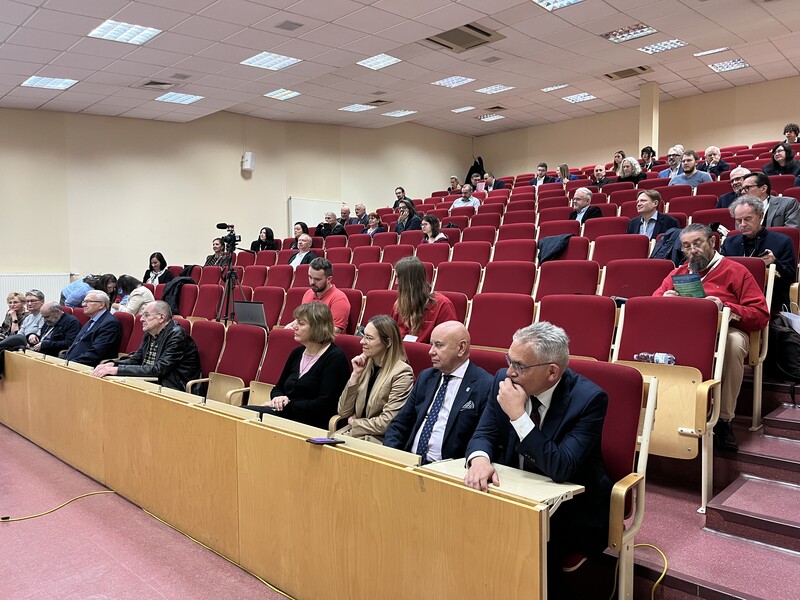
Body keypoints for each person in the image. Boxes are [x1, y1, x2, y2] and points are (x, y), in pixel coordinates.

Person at [464, 322, 612, 596]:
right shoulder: (503, 381)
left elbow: (561, 467)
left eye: (519, 366)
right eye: (509, 360)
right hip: (515, 494)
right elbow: (484, 433)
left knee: (530, 544)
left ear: (552, 372)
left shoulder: (589, 400)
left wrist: (519, 416)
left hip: (569, 509)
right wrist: (480, 459)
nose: (510, 372)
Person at [654, 223, 769, 451]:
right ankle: (673, 414)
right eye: (686, 246)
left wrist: (725, 306)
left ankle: (724, 420)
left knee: (733, 344)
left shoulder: (736, 270)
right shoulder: (677, 274)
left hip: (725, 331)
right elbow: (653, 303)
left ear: (712, 242)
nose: (692, 250)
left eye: (697, 243)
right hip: (687, 332)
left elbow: (760, 315)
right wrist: (664, 299)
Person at [384, 321, 493, 461]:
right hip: (410, 461)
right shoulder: (426, 377)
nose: (431, 351)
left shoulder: (485, 385)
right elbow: (400, 424)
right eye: (431, 344)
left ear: (461, 348)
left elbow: (484, 438)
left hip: (447, 468)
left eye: (439, 345)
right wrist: (390, 456)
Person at [245, 302, 349, 429]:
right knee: (241, 414)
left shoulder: (335, 358)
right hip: (287, 414)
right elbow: (277, 388)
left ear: (317, 327)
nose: (294, 326)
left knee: (249, 419)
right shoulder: (297, 353)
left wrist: (287, 405)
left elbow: (324, 404)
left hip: (312, 422)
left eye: (301, 323)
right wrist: (278, 398)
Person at [91, 301, 201, 392]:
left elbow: (158, 369)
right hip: (151, 380)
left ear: (161, 317)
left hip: (173, 387)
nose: (141, 319)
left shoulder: (177, 335)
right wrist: (113, 364)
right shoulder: (150, 333)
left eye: (146, 315)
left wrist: (117, 370)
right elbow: (136, 359)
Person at [335, 315, 414, 443]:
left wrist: (355, 423)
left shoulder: (402, 373)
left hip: (378, 440)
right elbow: (343, 411)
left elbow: (387, 423)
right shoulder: (365, 364)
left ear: (388, 342)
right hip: (354, 435)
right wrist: (355, 375)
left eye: (369, 338)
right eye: (363, 335)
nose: (362, 341)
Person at [721, 196, 796, 311]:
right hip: (734, 299)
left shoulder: (782, 241)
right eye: (738, 220)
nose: (743, 224)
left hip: (770, 297)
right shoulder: (729, 242)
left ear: (760, 216)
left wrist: (775, 262)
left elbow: (790, 278)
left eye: (748, 219)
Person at [390, 256, 456, 343]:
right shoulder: (399, 305)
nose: (396, 282)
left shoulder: (442, 305)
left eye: (398, 277)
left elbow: (449, 342)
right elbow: (392, 337)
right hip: (402, 351)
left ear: (410, 282)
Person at [292, 257, 351, 334]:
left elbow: (335, 330)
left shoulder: (339, 299)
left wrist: (305, 332)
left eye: (317, 279)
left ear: (329, 279)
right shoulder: (308, 293)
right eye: (310, 277)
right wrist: (289, 326)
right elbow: (301, 319)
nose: (312, 282)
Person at [64, 290, 123, 366]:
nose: (84, 305)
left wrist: (70, 364)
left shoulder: (110, 323)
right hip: (72, 362)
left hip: (87, 367)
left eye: (88, 301)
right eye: (84, 301)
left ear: (101, 305)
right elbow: (77, 344)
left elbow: (96, 353)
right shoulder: (92, 320)